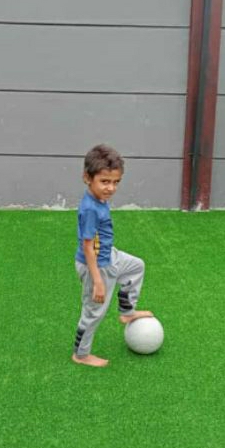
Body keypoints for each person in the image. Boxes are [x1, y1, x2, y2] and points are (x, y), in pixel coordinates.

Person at [72, 144, 153, 367]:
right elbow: (88, 246)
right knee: (94, 312)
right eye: (105, 181)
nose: (111, 188)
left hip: (109, 255)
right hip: (96, 266)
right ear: (87, 178)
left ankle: (127, 312)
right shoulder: (90, 209)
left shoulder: (99, 199)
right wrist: (98, 281)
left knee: (136, 266)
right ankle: (81, 354)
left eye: (116, 182)